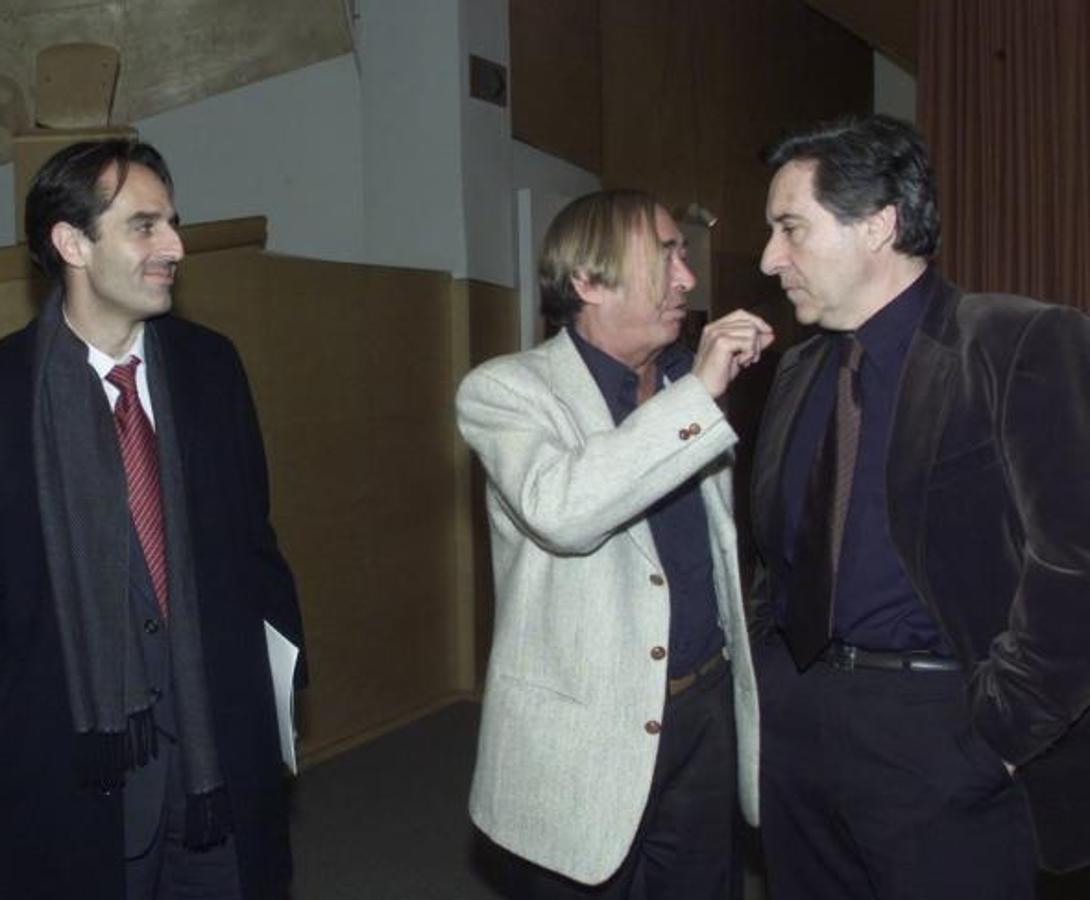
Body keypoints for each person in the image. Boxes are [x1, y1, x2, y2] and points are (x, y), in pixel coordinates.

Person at [750, 113, 1090, 899]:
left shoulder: (1020, 344)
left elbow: (1074, 566)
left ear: (878, 225)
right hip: (798, 726)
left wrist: (995, 740)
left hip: (942, 730)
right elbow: (778, 554)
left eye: (791, 229)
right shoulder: (799, 372)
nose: (771, 259)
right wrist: (773, 694)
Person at [0, 139, 305, 899]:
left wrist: (276, 694)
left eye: (173, 221)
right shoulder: (4, 395)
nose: (175, 245)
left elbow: (253, 546)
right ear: (71, 242)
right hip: (69, 774)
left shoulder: (213, 368)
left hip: (217, 758)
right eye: (144, 226)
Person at [457, 189, 773, 899]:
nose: (687, 281)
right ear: (589, 281)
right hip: (583, 732)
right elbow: (564, 511)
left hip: (705, 713)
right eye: (665, 258)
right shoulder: (506, 391)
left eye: (684, 259)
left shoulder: (680, 381)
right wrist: (696, 397)